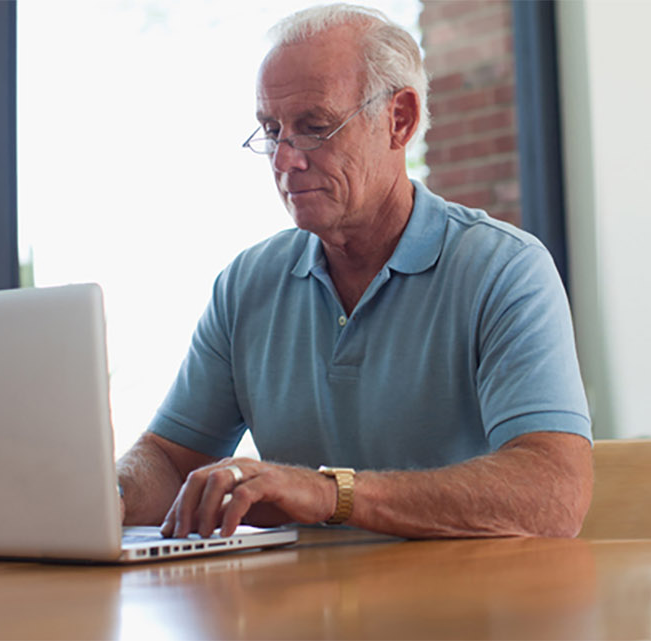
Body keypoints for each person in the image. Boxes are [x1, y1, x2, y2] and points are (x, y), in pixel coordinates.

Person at [115, 3, 591, 540]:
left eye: (314, 128)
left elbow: (552, 495)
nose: (284, 160)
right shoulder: (246, 284)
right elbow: (170, 462)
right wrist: (105, 498)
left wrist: (328, 493)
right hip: (305, 614)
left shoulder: (504, 270)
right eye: (271, 130)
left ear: (400, 120)